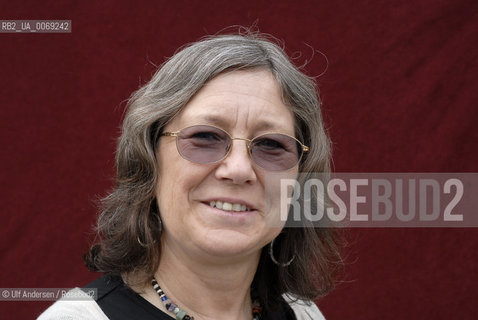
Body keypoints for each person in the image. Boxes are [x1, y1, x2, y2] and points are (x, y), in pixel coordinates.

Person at [38, 31, 342, 320]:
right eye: (206, 138)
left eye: (271, 145)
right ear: (149, 160)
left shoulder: (302, 314)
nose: (238, 169)